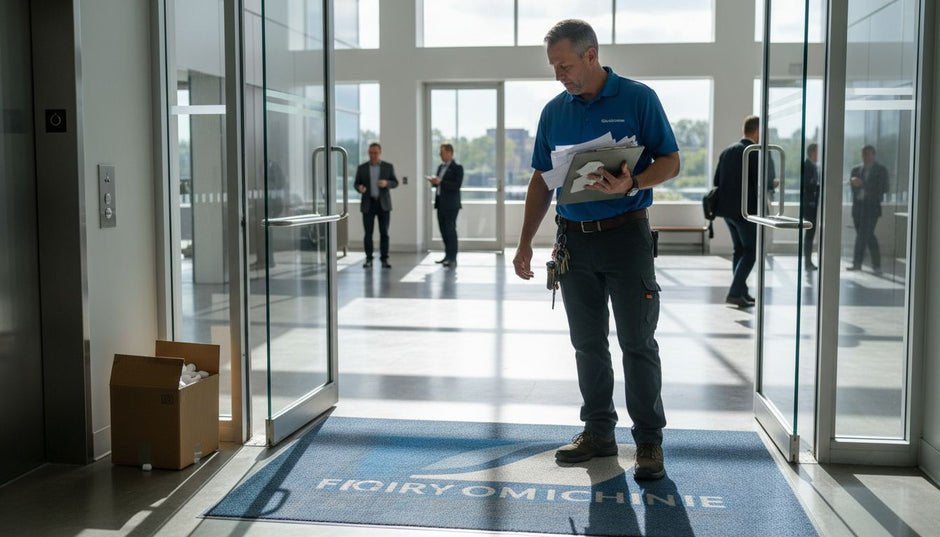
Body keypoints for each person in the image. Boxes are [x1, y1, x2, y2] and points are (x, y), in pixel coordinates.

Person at [512, 19, 680, 481]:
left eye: (564, 65)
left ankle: (648, 441)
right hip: (574, 243)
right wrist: (525, 242)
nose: (559, 75)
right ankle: (599, 432)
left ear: (591, 56)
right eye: (553, 67)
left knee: (637, 343)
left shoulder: (638, 98)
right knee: (587, 345)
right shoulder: (554, 112)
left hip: (627, 238)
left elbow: (671, 160)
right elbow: (541, 181)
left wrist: (635, 181)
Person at [712, 115, 766, 308]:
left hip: (727, 211)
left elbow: (716, 181)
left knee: (739, 250)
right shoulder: (753, 151)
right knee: (751, 252)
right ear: (756, 131)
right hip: (746, 212)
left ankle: (741, 291)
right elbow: (760, 183)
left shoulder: (728, 151)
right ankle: (735, 292)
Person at [354, 142, 398, 269]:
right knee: (368, 233)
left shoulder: (387, 167)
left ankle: (384, 259)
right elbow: (356, 184)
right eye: (371, 153)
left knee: (384, 232)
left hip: (383, 204)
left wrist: (386, 183)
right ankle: (368, 259)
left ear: (380, 153)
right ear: (368, 153)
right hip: (368, 204)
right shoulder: (362, 168)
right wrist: (359, 188)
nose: (373, 155)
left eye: (375, 153)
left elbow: (395, 182)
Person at [848, 145, 889, 273]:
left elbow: (884, 188)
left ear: (873, 155)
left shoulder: (881, 170)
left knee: (862, 236)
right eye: (863, 154)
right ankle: (876, 265)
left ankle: (857, 263)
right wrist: (855, 185)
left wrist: (863, 184)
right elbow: (853, 189)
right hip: (858, 209)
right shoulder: (855, 170)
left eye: (868, 154)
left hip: (872, 210)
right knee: (869, 236)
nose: (865, 157)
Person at [428, 143, 463, 267]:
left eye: (442, 152)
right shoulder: (440, 167)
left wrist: (441, 181)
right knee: (443, 230)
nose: (440, 155)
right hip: (440, 203)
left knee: (450, 231)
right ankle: (447, 256)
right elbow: (438, 185)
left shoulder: (457, 168)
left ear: (450, 153)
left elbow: (456, 185)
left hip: (451, 205)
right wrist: (434, 182)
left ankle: (452, 258)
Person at [802, 143, 821, 271]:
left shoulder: (813, 166)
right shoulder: (807, 165)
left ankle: (808, 262)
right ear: (812, 152)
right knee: (810, 234)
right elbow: (809, 185)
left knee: (810, 234)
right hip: (810, 206)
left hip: (812, 205)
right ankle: (808, 263)